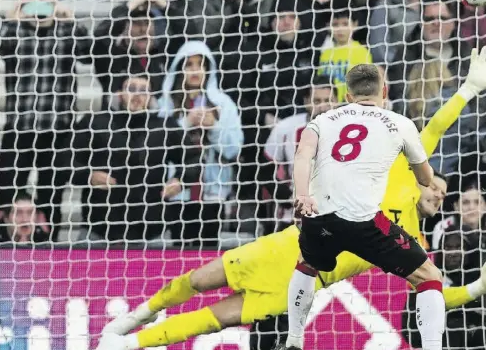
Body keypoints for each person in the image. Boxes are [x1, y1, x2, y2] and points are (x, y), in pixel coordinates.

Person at [79, 47, 486, 350]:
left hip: (297, 276)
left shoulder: (410, 241)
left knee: (208, 321)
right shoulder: (399, 168)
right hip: (283, 248)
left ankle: (115, 349)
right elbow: (437, 124)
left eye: (440, 195)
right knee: (195, 280)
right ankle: (137, 315)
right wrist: (466, 89)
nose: (439, 192)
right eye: (437, 186)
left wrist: (482, 285)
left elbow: (437, 291)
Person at [0, 0, 92, 242]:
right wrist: (11, 16)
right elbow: (2, 45)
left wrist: (71, 19)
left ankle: (48, 246)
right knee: (6, 190)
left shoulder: (65, 29)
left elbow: (88, 53)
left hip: (58, 128)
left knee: (52, 193)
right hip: (21, 126)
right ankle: (4, 243)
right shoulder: (16, 29)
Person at [69, 71, 201, 246]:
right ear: (119, 93)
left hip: (152, 231)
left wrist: (180, 180)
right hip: (98, 229)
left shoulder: (164, 127)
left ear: (152, 96)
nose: (137, 95)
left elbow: (194, 160)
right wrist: (89, 176)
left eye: (144, 90)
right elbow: (66, 160)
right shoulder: (95, 123)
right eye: (131, 88)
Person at [157, 40, 244, 246]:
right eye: (189, 65)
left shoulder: (224, 103)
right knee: (178, 250)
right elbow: (156, 145)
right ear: (180, 68)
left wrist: (214, 127)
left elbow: (233, 150)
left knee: (209, 251)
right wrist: (186, 124)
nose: (195, 70)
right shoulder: (165, 104)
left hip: (213, 190)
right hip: (177, 190)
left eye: (200, 64)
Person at [259, 76, 338, 233]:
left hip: (336, 216)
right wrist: (288, 198)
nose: (323, 107)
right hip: (293, 219)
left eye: (328, 100)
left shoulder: (350, 131)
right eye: (316, 101)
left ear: (337, 101)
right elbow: (264, 173)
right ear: (306, 101)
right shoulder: (286, 128)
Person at [318, 8, 373, 102]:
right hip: (329, 105)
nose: (340, 29)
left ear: (355, 25)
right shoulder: (325, 53)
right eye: (335, 25)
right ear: (328, 26)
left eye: (345, 24)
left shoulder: (361, 51)